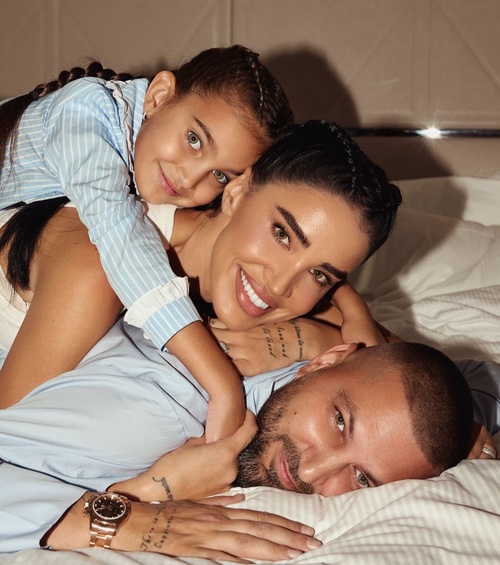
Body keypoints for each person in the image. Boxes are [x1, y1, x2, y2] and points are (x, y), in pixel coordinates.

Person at [0, 120, 402, 430]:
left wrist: (326, 333)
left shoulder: (239, 280)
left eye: (319, 274)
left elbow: (408, 375)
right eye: (282, 234)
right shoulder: (99, 266)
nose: (280, 286)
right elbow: (11, 447)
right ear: (237, 193)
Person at [0, 45, 294, 441]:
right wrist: (221, 383)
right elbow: (118, 232)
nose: (190, 179)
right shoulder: (84, 113)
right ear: (159, 96)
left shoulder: (148, 172)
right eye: (194, 139)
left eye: (220, 175)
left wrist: (347, 312)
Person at [0, 317, 478, 557]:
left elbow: (481, 378)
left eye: (362, 478)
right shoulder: (165, 408)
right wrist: (135, 513)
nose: (312, 472)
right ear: (324, 361)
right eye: (338, 422)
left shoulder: (336, 383)